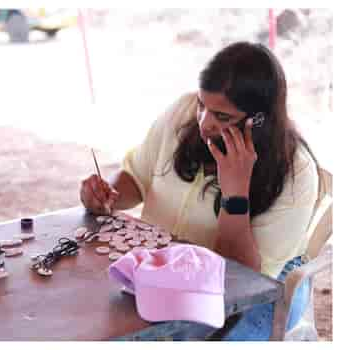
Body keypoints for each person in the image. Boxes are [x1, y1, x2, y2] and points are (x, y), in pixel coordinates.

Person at [79, 42, 321, 340]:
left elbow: (242, 281)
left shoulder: (295, 173)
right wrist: (107, 195)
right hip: (169, 274)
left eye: (222, 117)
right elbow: (135, 177)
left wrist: (235, 195)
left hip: (254, 294)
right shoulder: (183, 112)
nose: (204, 123)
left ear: (258, 120)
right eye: (202, 105)